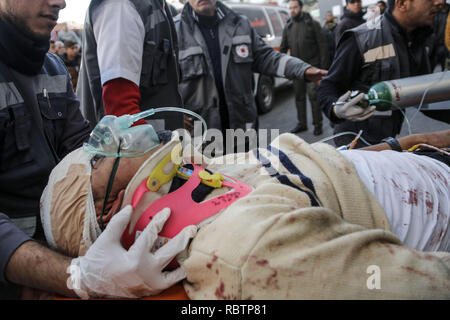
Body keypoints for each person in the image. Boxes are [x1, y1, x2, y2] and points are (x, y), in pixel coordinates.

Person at [40, 115, 450, 298]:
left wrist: (405, 144)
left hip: (426, 163)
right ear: (107, 210)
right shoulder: (239, 254)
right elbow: (420, 286)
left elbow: (321, 163)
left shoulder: (198, 172)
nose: (110, 130)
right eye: (96, 155)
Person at [0, 0, 195, 300]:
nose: (60, 3)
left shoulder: (52, 67)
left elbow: (82, 148)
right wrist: (78, 275)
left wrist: (122, 181)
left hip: (72, 247)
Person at [174, 0, 327, 150]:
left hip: (243, 129)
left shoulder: (240, 24)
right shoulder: (174, 30)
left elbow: (267, 57)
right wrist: (173, 114)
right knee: (209, 175)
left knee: (248, 173)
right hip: (201, 137)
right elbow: (161, 84)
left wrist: (303, 69)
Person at [317, 0, 446, 148]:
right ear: (402, 4)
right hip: (356, 140)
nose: (439, 2)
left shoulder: (419, 39)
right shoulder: (362, 38)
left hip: (389, 137)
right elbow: (328, 86)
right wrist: (336, 109)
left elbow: (424, 95)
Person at [77, 0, 185, 131]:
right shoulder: (121, 6)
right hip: (137, 147)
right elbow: (120, 108)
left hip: (153, 145)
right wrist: (153, 146)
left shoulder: (155, 5)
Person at [280, 0, 329, 136]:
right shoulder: (288, 27)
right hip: (296, 71)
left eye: (295, 7)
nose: (292, 10)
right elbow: (283, 48)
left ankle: (317, 124)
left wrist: (322, 68)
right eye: (290, 8)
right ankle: (302, 124)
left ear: (301, 8)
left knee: (313, 97)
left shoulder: (312, 24)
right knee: (299, 97)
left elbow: (323, 47)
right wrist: (283, 67)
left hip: (313, 69)